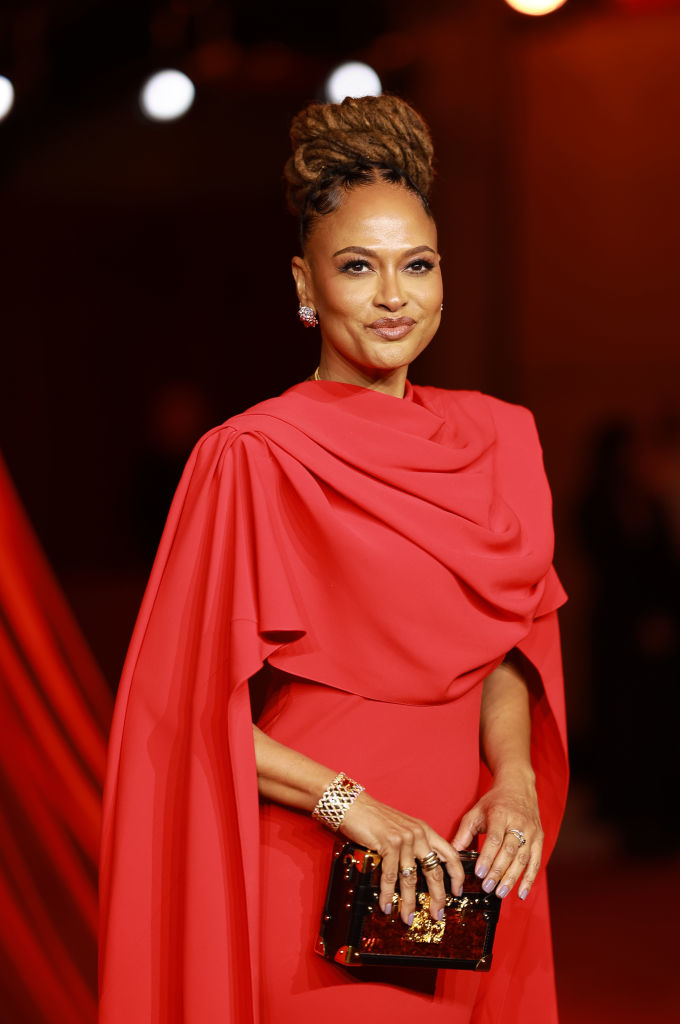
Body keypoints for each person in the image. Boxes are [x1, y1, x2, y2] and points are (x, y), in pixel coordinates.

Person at [99, 94, 568, 1023]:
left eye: (417, 266)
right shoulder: (253, 457)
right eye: (358, 267)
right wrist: (356, 806)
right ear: (306, 287)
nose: (393, 296)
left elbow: (508, 645)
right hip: (319, 875)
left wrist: (513, 780)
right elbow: (186, 715)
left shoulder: (500, 438)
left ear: (444, 277)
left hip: (471, 866)